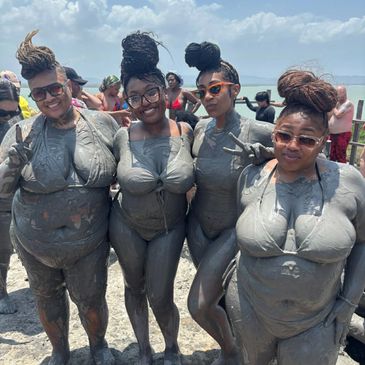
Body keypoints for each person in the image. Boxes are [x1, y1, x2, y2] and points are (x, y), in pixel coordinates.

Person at [226, 69, 365, 365]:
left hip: (318, 318)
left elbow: (363, 243)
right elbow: (238, 230)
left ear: (324, 140)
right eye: (284, 135)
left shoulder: (348, 182)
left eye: (306, 140)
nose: (292, 146)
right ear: (273, 131)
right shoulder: (251, 176)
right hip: (249, 307)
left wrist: (348, 303)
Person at [0, 30, 118, 364]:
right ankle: (59, 350)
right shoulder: (21, 132)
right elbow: (2, 191)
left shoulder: (103, 125)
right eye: (40, 94)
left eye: (55, 88)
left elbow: (130, 170)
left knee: (92, 300)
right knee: (46, 298)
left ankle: (98, 346)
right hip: (35, 243)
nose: (50, 98)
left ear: (68, 85)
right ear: (32, 96)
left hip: (90, 243)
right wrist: (12, 165)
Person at [184, 41, 273, 365]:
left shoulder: (256, 130)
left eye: (215, 89)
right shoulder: (200, 129)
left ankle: (233, 352)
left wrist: (270, 156)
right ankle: (233, 347)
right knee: (220, 300)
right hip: (197, 230)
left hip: (230, 231)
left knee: (199, 305)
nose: (207, 97)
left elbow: (309, 150)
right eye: (202, 91)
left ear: (234, 90)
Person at [109, 32, 194, 365]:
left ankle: (171, 347)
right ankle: (144, 349)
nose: (145, 103)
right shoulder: (122, 136)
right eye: (134, 97)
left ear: (164, 90)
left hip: (169, 227)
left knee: (160, 294)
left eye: (151, 92)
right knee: (133, 286)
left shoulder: (186, 131)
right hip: (126, 224)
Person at [0, 79, 23, 314]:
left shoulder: (15, 122)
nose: (7, 117)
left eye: (12, 111)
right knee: (2, 248)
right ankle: (1, 292)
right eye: (2, 112)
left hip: (13, 196)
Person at [328, 85, 354, 163]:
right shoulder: (337, 104)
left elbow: (338, 115)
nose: (337, 95)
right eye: (336, 93)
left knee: (340, 156)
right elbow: (329, 115)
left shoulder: (348, 103)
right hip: (332, 134)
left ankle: (343, 173)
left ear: (345, 93)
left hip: (343, 134)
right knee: (331, 155)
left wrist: (332, 106)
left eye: (339, 93)